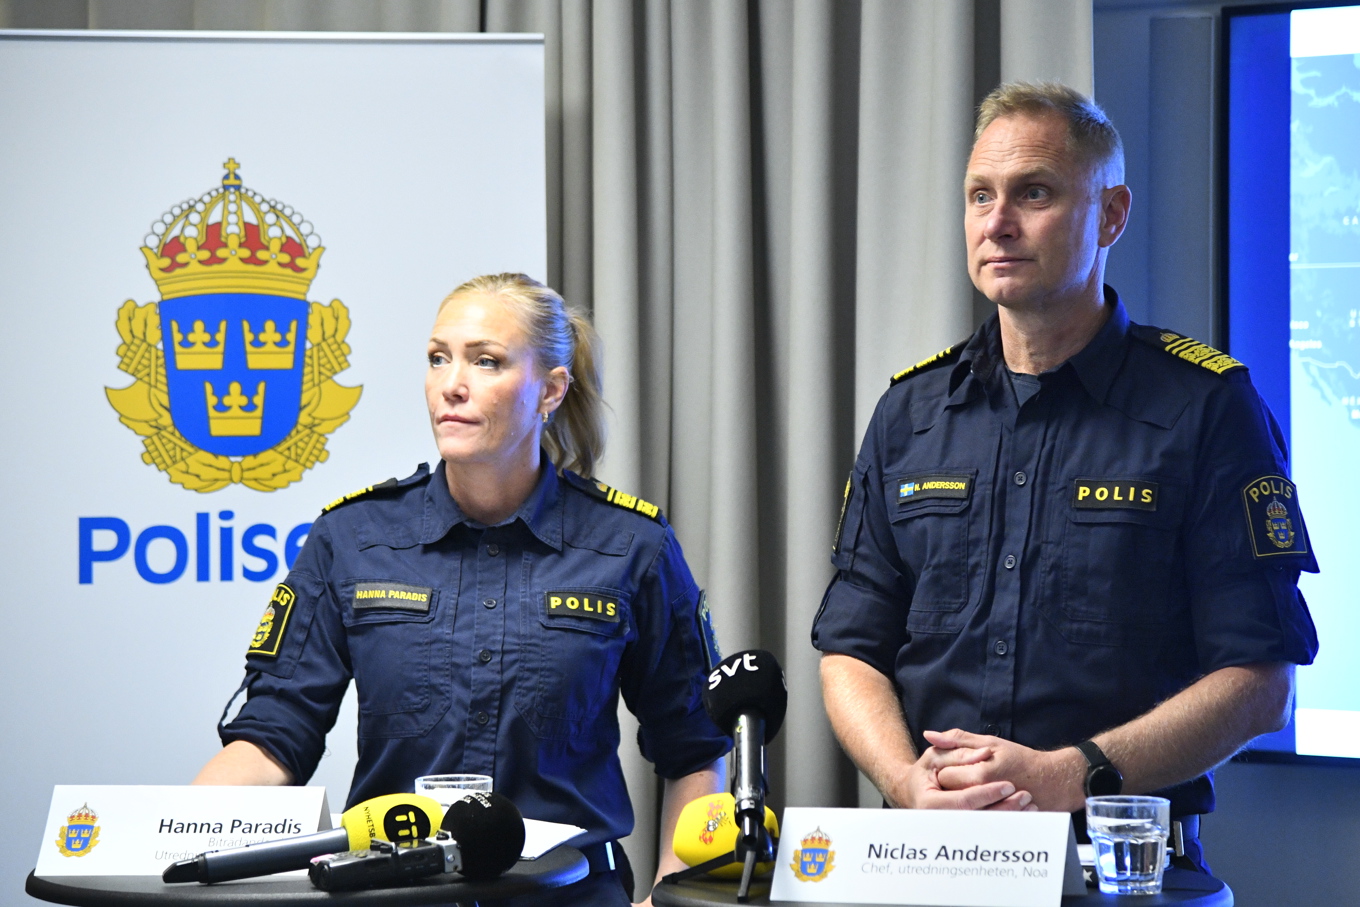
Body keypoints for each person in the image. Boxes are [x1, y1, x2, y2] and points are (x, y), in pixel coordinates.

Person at [812, 82, 1318, 871]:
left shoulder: (1206, 408)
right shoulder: (909, 414)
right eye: (980, 195)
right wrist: (906, 782)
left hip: (1119, 864)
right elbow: (850, 649)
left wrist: (1065, 776)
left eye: (1033, 192)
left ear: (1111, 215)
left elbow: (1260, 682)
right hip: (928, 858)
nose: (997, 222)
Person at [194, 273, 729, 905]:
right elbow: (273, 735)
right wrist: (167, 839)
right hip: (388, 895)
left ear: (550, 390)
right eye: (438, 358)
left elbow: (695, 746)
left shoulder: (631, 545)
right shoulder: (353, 537)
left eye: (487, 361)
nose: (452, 384)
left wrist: (672, 894)